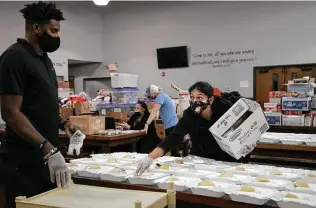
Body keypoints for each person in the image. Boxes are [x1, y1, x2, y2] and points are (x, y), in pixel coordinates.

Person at [0, 2, 80, 208]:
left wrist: (63, 123)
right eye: (53, 31)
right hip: (22, 160)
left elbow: (39, 102)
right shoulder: (15, 57)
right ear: (36, 28)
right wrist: (47, 148)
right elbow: (10, 112)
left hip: (44, 158)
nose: (56, 37)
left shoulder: (45, 60)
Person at [136, 81, 244, 176]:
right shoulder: (190, 114)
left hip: (226, 161)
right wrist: (150, 157)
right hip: (201, 160)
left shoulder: (224, 109)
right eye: (192, 97)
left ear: (210, 100)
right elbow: (173, 137)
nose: (195, 101)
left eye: (200, 97)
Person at [143, 85, 179, 156]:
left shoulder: (160, 97)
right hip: (172, 124)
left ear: (154, 92)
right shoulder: (164, 96)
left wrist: (147, 123)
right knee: (172, 148)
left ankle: (179, 165)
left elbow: (154, 111)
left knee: (171, 148)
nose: (150, 97)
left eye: (150, 95)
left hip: (171, 125)